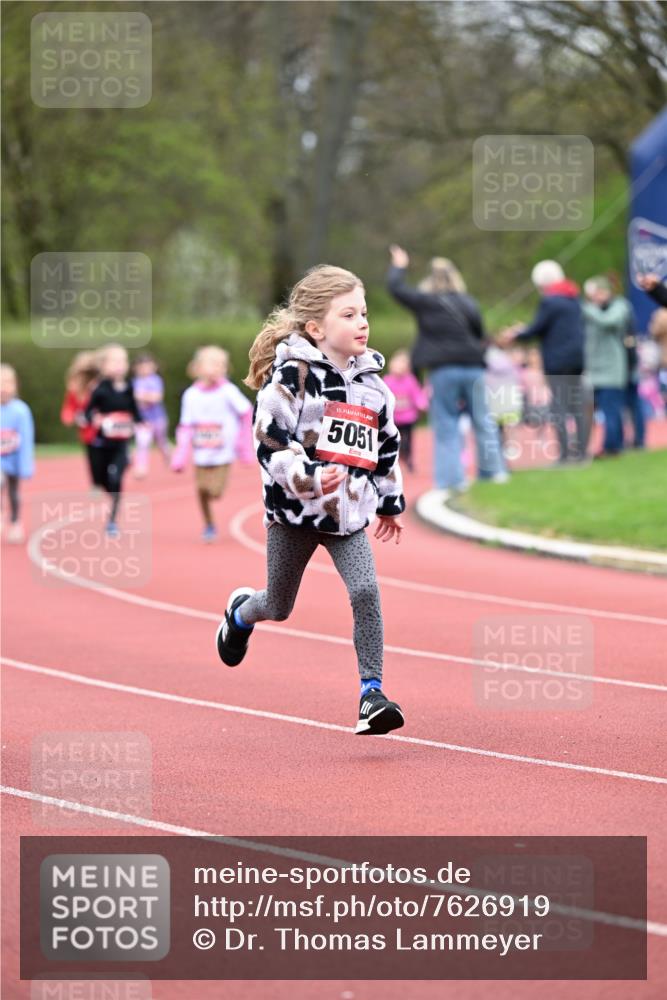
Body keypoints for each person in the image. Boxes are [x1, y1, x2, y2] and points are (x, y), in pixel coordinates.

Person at [215, 264, 406, 736]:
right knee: (278, 606)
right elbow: (270, 442)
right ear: (317, 328)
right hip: (293, 515)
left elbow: (385, 447)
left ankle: (371, 694)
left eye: (364, 313)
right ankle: (240, 613)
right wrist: (310, 477)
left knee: (365, 593)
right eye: (349, 315)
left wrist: (388, 501)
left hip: (346, 519)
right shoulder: (292, 377)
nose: (363, 323)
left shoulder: (375, 388)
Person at [386, 245, 506, 494]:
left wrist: (399, 264)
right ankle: (494, 472)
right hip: (474, 367)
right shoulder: (468, 302)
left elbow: (396, 289)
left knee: (446, 425)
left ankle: (452, 481)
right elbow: (480, 335)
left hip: (444, 370)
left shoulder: (426, 302)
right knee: (483, 420)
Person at [500, 260, 589, 464]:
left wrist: (517, 333)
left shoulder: (550, 301)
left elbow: (537, 328)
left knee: (559, 406)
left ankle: (565, 455)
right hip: (576, 359)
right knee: (576, 406)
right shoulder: (574, 298)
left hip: (557, 361)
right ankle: (582, 453)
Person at [171, 346, 253, 542]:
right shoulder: (191, 394)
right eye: (213, 364)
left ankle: (211, 514)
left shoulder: (228, 390)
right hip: (201, 451)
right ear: (198, 368)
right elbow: (186, 425)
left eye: (222, 365)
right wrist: (181, 454)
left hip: (224, 451)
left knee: (214, 491)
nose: (218, 369)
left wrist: (244, 445)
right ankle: (209, 524)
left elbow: (246, 411)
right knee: (201, 490)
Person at [84, 344, 144, 537]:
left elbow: (135, 411)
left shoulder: (129, 388)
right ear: (103, 365)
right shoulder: (100, 389)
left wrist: (140, 423)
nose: (120, 365)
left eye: (123, 361)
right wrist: (96, 418)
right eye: (115, 361)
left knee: (116, 478)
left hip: (121, 444)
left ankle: (112, 521)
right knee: (101, 480)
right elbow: (87, 412)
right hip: (100, 444)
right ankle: (110, 493)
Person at [581, 276, 630, 458]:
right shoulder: (591, 312)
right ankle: (587, 448)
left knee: (611, 411)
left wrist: (588, 308)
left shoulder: (619, 306)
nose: (597, 296)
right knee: (589, 412)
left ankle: (612, 448)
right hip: (593, 371)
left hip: (612, 370)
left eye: (600, 292)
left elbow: (608, 321)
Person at [1, 364, 34, 544]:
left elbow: (26, 440)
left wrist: (25, 466)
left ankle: (15, 521)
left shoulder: (21, 410)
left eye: (8, 382)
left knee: (13, 492)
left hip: (14, 460)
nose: (4, 387)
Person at [60, 350, 102, 492]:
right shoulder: (74, 390)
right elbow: (68, 408)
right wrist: (70, 418)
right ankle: (96, 482)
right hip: (87, 432)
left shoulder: (101, 387)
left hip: (103, 429)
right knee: (92, 458)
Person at [383, 349, 429, 472]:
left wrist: (422, 404)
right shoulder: (388, 380)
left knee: (408, 440)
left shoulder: (410, 380)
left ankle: (408, 458)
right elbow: (383, 396)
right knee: (393, 439)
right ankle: (394, 459)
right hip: (394, 418)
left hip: (408, 417)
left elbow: (417, 395)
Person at [131, 352, 171, 478]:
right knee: (142, 443)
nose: (144, 369)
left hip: (157, 418)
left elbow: (156, 397)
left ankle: (168, 455)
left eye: (147, 366)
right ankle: (141, 468)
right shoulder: (133, 382)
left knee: (161, 442)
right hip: (142, 419)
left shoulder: (155, 380)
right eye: (142, 367)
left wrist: (140, 396)